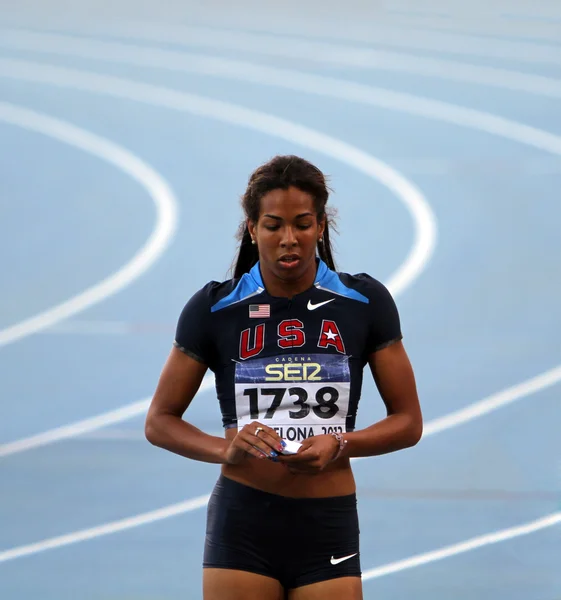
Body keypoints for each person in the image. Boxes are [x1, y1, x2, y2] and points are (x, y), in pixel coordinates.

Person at [145, 155, 423, 600]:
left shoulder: (364, 302)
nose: (289, 239)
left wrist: (341, 443)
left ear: (321, 227)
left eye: (302, 224)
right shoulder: (214, 308)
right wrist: (225, 449)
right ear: (252, 229)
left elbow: (408, 422)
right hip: (244, 521)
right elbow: (159, 421)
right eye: (274, 226)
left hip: (326, 523)